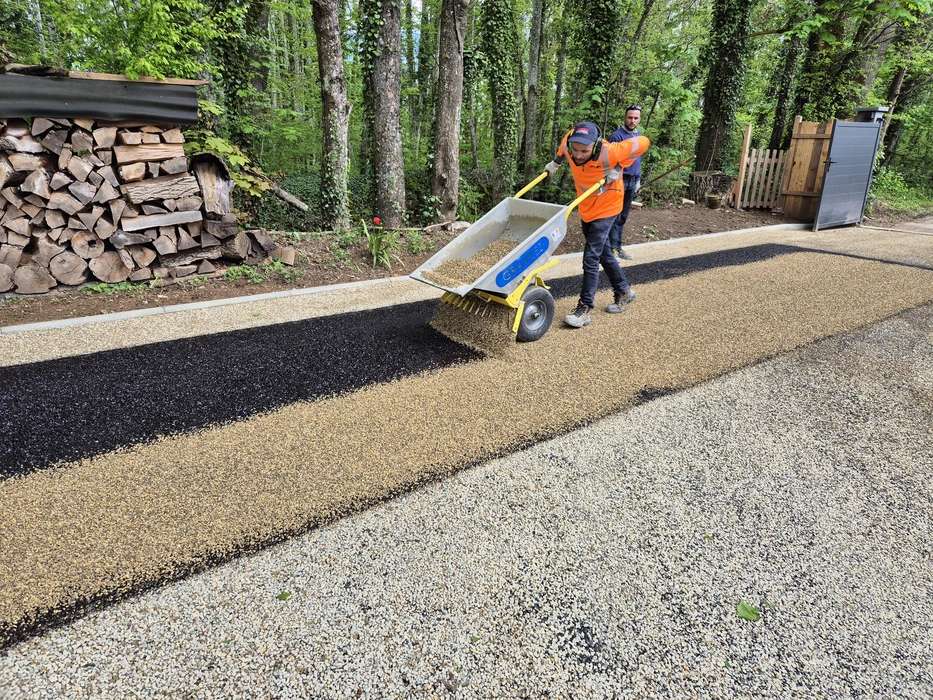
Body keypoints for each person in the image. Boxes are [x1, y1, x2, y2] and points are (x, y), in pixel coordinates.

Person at [543, 121, 650, 328]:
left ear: (595, 144)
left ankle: (584, 309)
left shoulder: (611, 151)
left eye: (584, 150)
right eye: (575, 150)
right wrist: (556, 162)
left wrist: (619, 166)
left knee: (591, 256)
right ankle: (624, 291)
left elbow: (644, 142)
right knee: (603, 253)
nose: (578, 155)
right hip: (586, 206)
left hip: (608, 206)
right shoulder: (569, 141)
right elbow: (563, 146)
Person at [607, 105, 644, 260]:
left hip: (632, 180)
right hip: (618, 180)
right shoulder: (617, 136)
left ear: (639, 119)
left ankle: (618, 247)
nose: (632, 120)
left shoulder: (639, 136)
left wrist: (638, 179)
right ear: (624, 118)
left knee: (622, 217)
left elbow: (638, 159)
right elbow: (610, 158)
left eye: (635, 118)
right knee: (614, 216)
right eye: (630, 117)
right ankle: (611, 249)